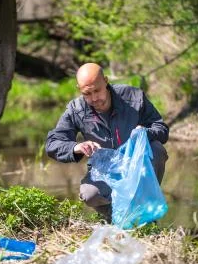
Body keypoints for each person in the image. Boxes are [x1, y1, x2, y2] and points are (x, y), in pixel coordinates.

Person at [45, 63, 169, 222]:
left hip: (136, 164)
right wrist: (77, 147)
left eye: (97, 90)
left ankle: (146, 216)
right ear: (79, 89)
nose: (94, 98)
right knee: (89, 194)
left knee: (157, 149)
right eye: (87, 93)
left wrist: (145, 133)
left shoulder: (133, 97)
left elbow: (161, 128)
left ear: (106, 81)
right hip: (104, 169)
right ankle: (120, 219)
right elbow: (53, 143)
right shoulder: (76, 109)